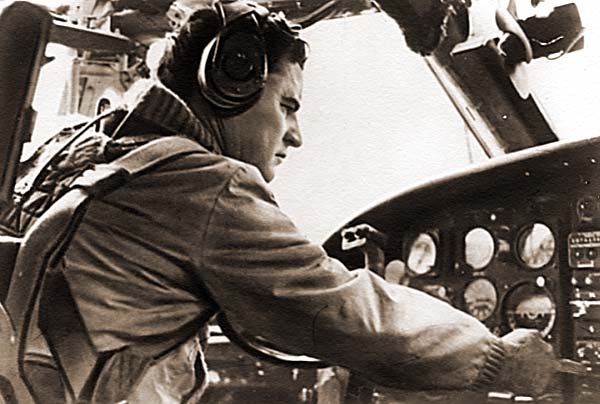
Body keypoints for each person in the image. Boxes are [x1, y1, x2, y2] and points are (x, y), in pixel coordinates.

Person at [22, 0, 558, 402]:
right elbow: (341, 311)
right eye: (287, 106)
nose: (295, 135)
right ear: (229, 86)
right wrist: (498, 359)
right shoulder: (204, 184)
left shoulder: (82, 150)